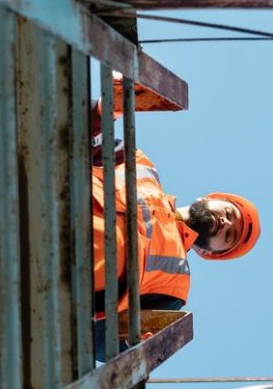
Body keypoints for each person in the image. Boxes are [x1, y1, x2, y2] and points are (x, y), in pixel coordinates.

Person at [90, 100, 261, 325]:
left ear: (209, 254)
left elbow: (111, 342)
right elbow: (83, 137)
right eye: (229, 213)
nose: (226, 223)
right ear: (207, 198)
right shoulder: (142, 167)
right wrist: (103, 110)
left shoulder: (174, 289)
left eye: (229, 237)